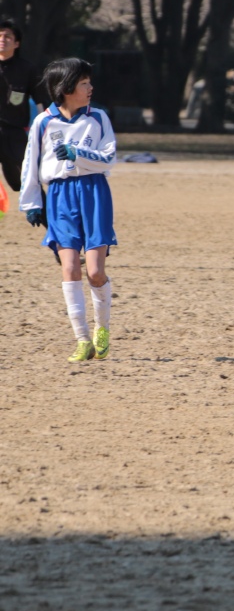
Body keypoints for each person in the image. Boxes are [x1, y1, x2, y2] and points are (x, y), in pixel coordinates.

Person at [18, 58, 117, 363]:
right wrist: (32, 203)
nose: (90, 88)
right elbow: (31, 163)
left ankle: (102, 328)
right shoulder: (43, 121)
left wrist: (78, 154)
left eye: (89, 82)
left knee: (95, 271)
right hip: (60, 197)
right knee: (70, 267)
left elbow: (109, 158)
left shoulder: (98, 117)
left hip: (94, 193)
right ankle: (82, 339)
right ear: (66, 88)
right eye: (84, 83)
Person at [0, 20, 42, 198]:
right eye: (0, 36)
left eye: (7, 36)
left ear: (16, 43)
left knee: (25, 179)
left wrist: (44, 127)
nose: (2, 39)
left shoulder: (26, 69)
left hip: (14, 132)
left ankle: (45, 213)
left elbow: (40, 100)